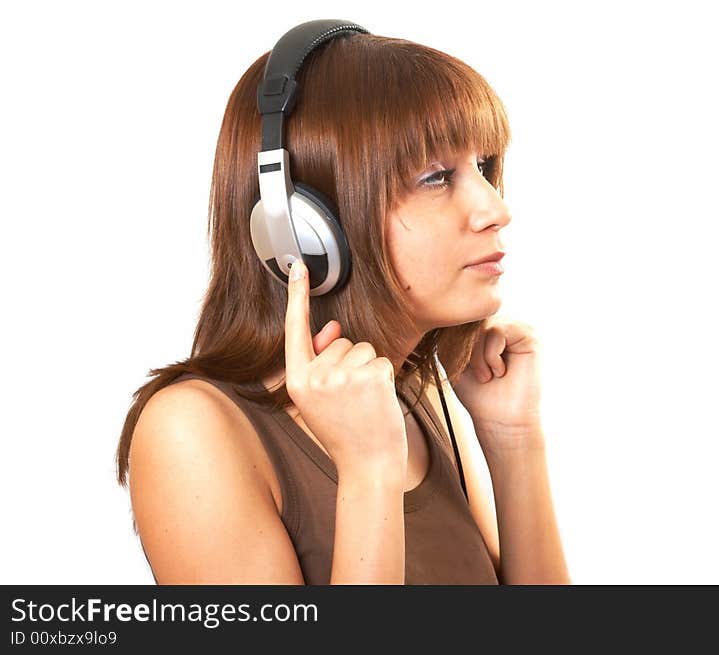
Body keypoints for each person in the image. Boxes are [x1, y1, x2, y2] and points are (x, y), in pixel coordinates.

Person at [115, 23, 569, 585]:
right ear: (299, 227)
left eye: (484, 168)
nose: (494, 208)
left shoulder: (423, 397)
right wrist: (368, 471)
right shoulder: (191, 431)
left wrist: (514, 437)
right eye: (436, 177)